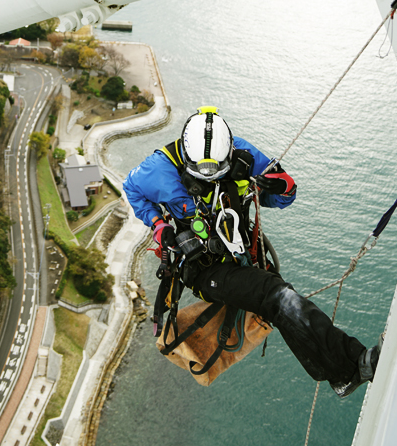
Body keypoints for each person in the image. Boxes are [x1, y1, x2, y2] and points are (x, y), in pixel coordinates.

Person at [123, 106, 381, 397]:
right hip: (203, 268)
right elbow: (131, 188)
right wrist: (159, 226)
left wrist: (283, 186)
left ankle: (343, 371)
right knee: (277, 296)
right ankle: (351, 366)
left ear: (229, 151)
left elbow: (282, 196)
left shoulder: (243, 155)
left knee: (278, 298)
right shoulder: (158, 169)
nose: (209, 178)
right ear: (185, 155)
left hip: (241, 255)